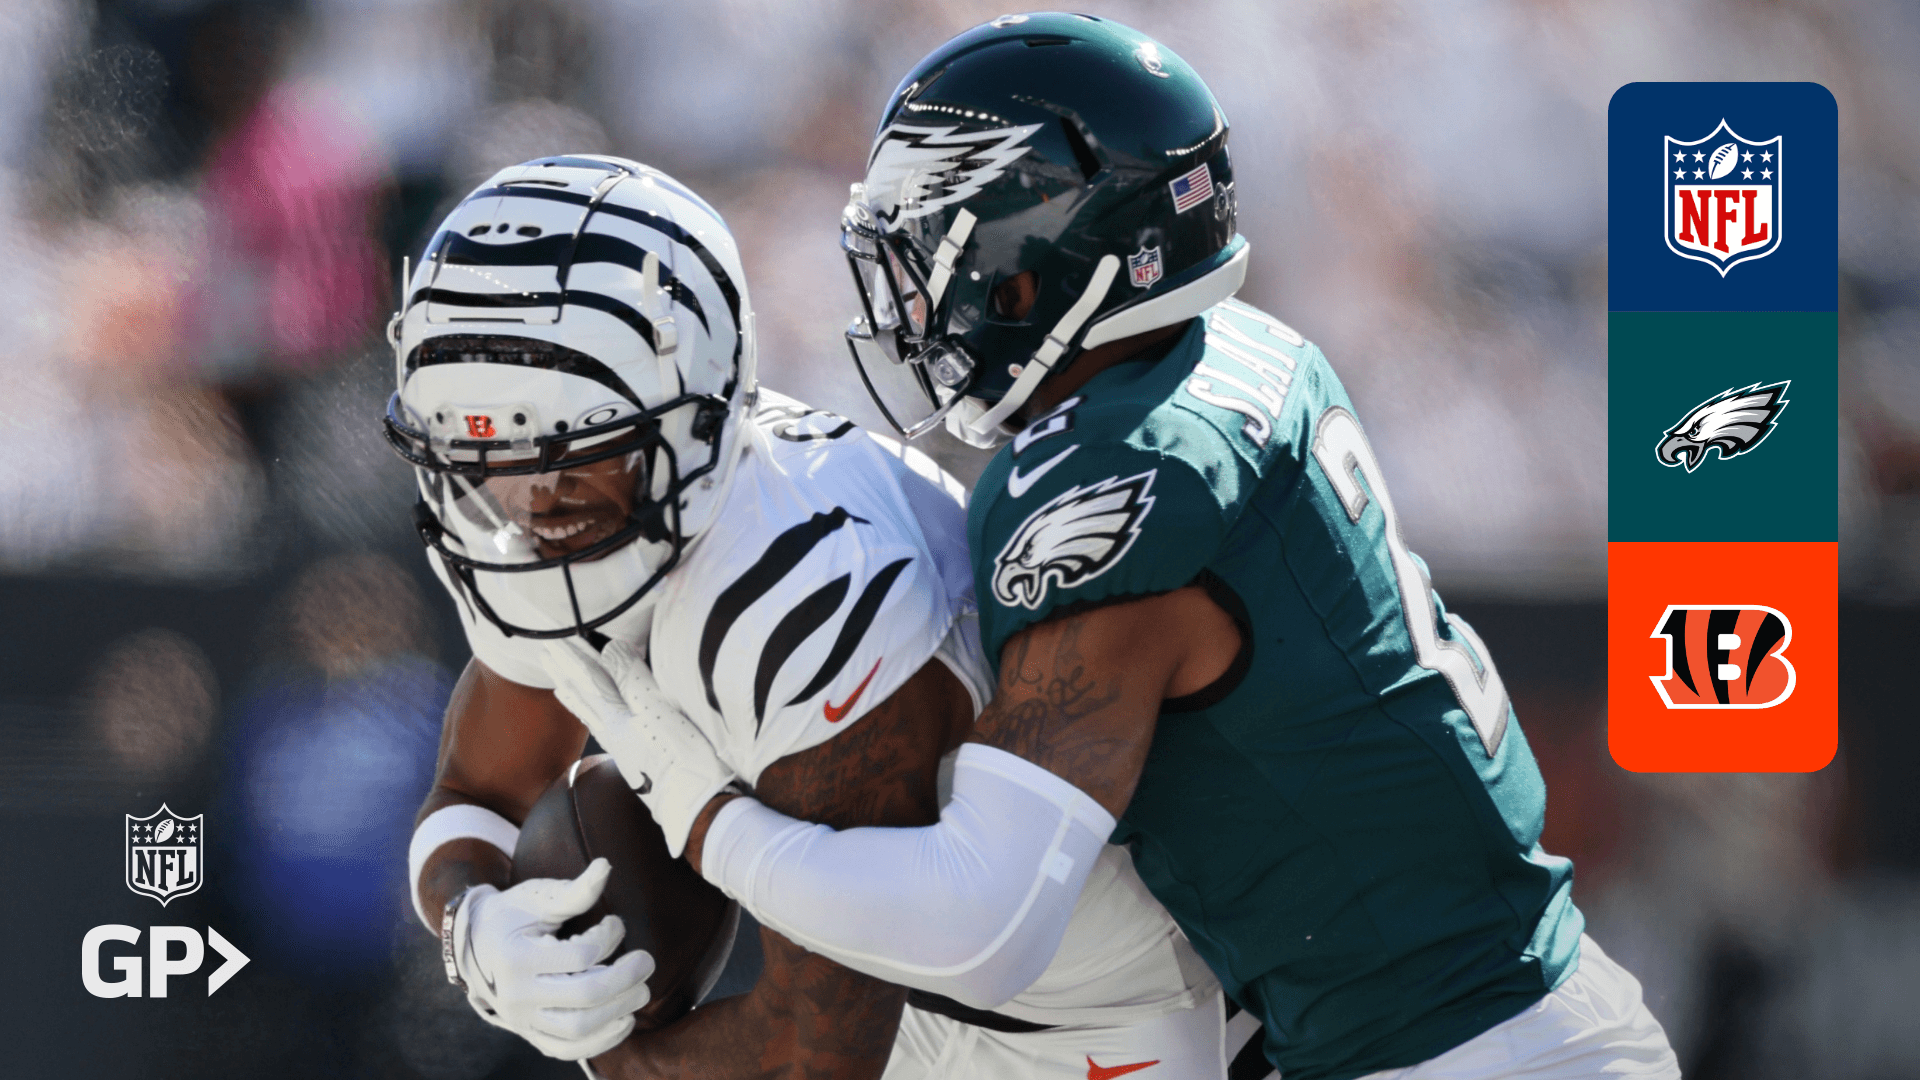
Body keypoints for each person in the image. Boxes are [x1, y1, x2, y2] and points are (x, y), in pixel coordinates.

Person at [557, 15, 1683, 1080]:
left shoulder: (1112, 480)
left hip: (1460, 1050)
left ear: (1041, 255)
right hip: (1504, 1008)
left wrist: (704, 814)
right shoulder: (1235, 348)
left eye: (929, 251)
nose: (911, 300)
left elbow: (981, 920)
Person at [391, 154, 1239, 1079]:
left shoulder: (805, 592)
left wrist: (609, 1058)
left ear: (693, 414)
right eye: (484, 463)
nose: (534, 501)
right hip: (909, 1005)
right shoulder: (547, 538)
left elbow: (813, 1056)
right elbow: (479, 793)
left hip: (1097, 1015)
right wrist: (472, 928)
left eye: (578, 451)